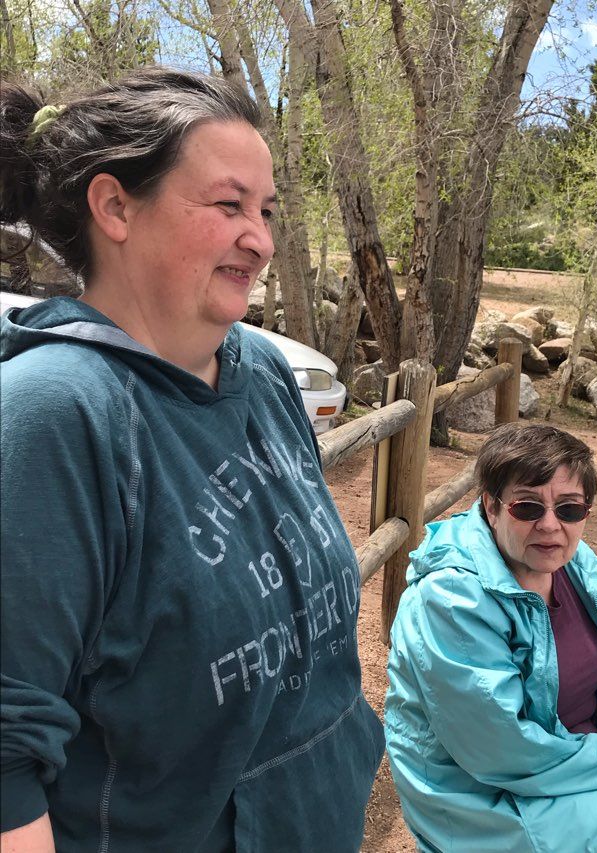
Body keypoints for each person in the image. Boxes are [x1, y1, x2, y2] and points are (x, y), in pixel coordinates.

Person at [0, 67, 384, 852]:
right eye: (229, 205)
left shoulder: (262, 370)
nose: (263, 239)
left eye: (267, 210)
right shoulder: (52, 414)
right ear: (114, 206)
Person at [385, 423, 597, 853]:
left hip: (579, 755)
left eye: (569, 509)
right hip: (485, 789)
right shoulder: (451, 601)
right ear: (491, 507)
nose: (550, 525)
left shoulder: (578, 567)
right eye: (527, 507)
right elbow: (499, 747)